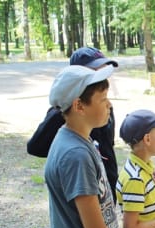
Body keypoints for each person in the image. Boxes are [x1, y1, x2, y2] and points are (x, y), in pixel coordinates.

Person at [44, 65, 142, 228]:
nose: (109, 105)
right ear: (79, 106)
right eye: (103, 99)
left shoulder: (76, 138)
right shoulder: (75, 154)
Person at [27, 47, 119, 202]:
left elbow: (108, 146)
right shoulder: (63, 113)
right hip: (86, 191)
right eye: (96, 69)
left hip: (106, 190)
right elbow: (35, 147)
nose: (103, 76)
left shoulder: (104, 108)